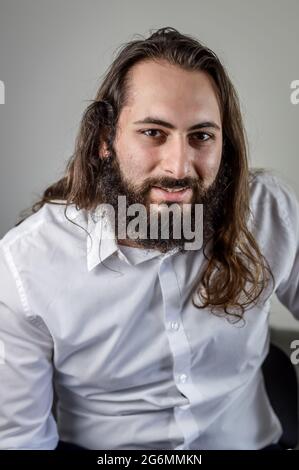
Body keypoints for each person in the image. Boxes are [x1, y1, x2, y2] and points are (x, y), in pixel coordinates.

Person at [0, 27, 298, 450]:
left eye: (202, 136)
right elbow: (20, 440)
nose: (179, 167)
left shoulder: (268, 210)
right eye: (153, 133)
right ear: (106, 140)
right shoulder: (25, 265)